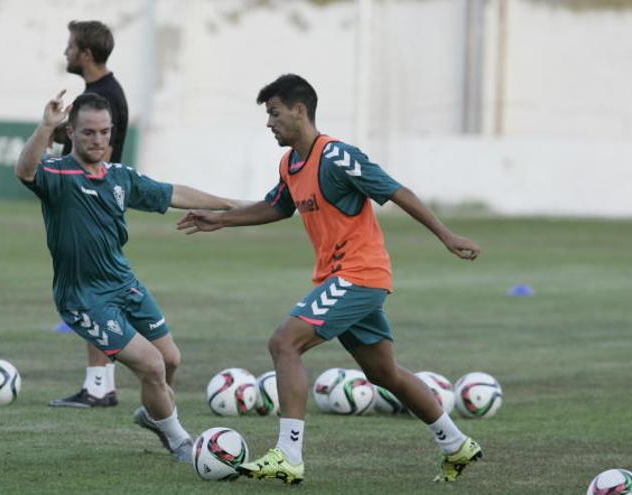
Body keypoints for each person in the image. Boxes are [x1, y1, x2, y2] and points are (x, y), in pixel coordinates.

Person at [177, 74, 483, 483]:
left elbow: (395, 191)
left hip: (360, 274)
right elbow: (276, 206)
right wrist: (220, 219)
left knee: (284, 342)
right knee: (383, 374)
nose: (269, 123)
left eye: (274, 113)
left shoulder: (337, 155)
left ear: (299, 110)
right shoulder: (290, 163)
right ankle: (456, 443)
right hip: (343, 279)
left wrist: (446, 235)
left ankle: (288, 455)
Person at [17, 90, 240, 462]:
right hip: (84, 298)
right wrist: (45, 126)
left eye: (105, 132)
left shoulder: (120, 177)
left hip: (124, 285)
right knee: (151, 365)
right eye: (88, 132)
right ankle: (180, 441)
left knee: (169, 360)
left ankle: (156, 417)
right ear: (71, 132)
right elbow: (24, 170)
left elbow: (172, 193)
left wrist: (231, 205)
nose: (98, 140)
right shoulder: (57, 175)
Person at [48, 20, 132, 408]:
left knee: (95, 295)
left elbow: (102, 160)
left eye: (70, 46)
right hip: (86, 208)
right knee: (95, 294)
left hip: (92, 209)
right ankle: (101, 383)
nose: (65, 52)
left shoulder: (105, 96)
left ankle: (99, 386)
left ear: (85, 54)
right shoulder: (99, 92)